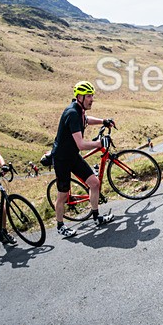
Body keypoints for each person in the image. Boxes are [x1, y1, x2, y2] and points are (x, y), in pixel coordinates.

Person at [51, 81, 115, 238]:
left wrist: (103, 121)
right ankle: (60, 225)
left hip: (72, 156)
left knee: (94, 183)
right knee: (63, 195)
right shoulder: (72, 113)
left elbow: (86, 119)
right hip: (62, 159)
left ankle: (96, 217)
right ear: (79, 97)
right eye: (88, 96)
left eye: (92, 95)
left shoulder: (79, 110)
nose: (92, 99)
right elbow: (80, 144)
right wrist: (100, 143)